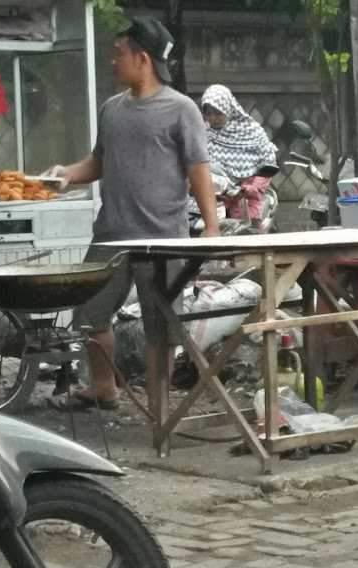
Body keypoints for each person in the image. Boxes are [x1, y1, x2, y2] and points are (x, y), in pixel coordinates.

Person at [49, 17, 219, 413]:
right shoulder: (112, 110)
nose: (112, 61)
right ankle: (104, 388)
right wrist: (65, 176)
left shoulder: (181, 110)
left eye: (118, 54)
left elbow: (199, 169)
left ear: (142, 59)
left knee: (159, 326)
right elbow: (99, 162)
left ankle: (159, 406)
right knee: (90, 315)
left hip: (162, 238)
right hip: (111, 234)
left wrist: (211, 228)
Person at [201, 84, 278, 228]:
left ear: (228, 109)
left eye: (217, 113)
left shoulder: (251, 131)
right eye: (208, 113)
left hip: (245, 196)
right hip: (214, 196)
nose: (212, 118)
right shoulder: (202, 133)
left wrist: (252, 187)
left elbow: (268, 160)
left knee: (248, 232)